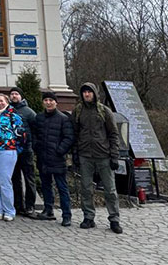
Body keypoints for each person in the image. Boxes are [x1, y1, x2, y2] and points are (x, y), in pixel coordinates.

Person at [73, 82, 122, 234]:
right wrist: (75, 153)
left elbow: (113, 134)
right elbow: (75, 133)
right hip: (85, 155)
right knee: (86, 188)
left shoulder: (104, 111)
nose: (87, 94)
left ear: (94, 93)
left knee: (110, 189)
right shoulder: (78, 111)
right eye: (84, 92)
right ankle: (88, 216)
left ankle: (114, 219)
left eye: (89, 92)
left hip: (103, 155)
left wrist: (114, 155)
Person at [33, 91, 75, 227]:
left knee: (62, 187)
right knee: (46, 185)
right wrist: (36, 147)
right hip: (43, 157)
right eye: (46, 100)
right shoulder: (39, 118)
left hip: (57, 158)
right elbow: (35, 135)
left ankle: (66, 215)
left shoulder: (63, 118)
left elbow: (68, 137)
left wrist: (59, 150)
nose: (48, 103)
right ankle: (48, 210)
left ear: (56, 102)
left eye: (51, 100)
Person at [0, 93, 23, 221]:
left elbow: (21, 134)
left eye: (1, 101)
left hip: (7, 151)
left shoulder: (13, 116)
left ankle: (9, 210)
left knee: (4, 181)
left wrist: (15, 148)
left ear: (7, 102)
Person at [9, 86, 37, 217]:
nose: (14, 96)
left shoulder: (29, 112)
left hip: (26, 150)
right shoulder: (7, 110)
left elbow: (36, 130)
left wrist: (32, 145)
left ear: (21, 96)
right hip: (12, 150)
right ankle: (18, 205)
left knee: (29, 177)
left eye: (16, 94)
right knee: (15, 179)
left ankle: (30, 205)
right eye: (12, 94)